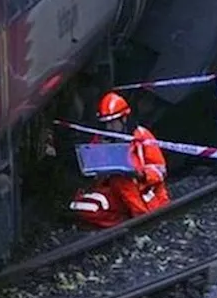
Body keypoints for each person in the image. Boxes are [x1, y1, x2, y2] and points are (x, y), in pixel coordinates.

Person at [68, 91, 171, 228]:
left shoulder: (142, 136)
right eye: (107, 124)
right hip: (114, 194)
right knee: (82, 206)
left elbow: (160, 170)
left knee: (122, 180)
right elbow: (93, 171)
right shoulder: (100, 140)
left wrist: (140, 173)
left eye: (113, 123)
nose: (110, 128)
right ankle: (123, 224)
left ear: (124, 119)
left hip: (143, 192)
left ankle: (142, 221)